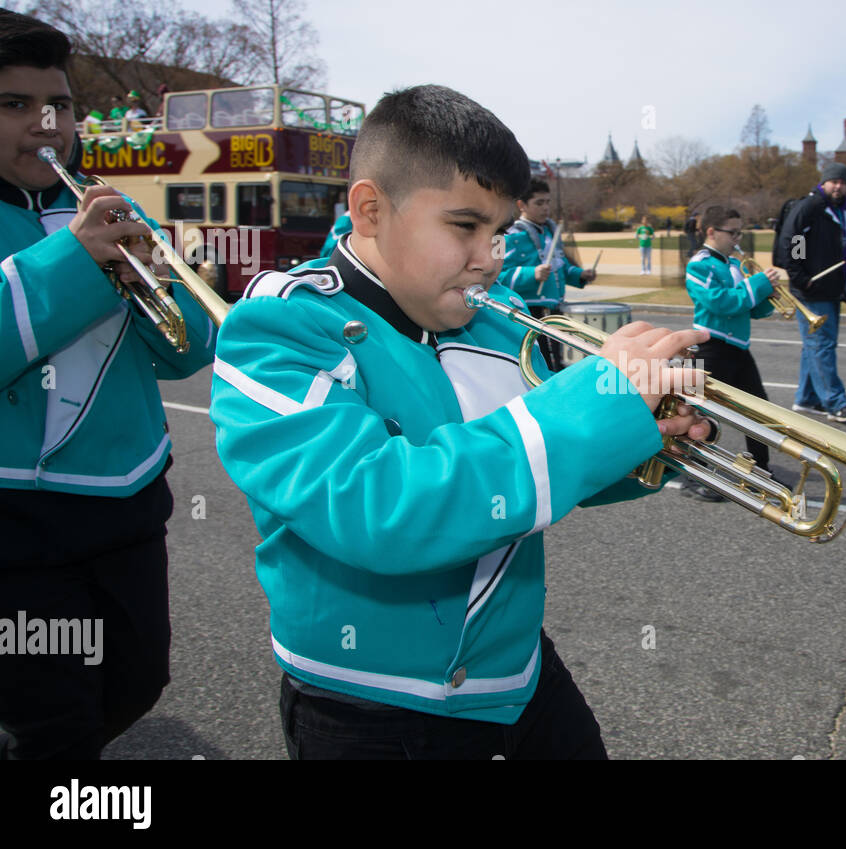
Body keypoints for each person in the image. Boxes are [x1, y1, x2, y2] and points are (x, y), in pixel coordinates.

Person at [208, 84, 711, 760]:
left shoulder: (495, 321)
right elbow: (374, 505)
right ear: (370, 210)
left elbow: (542, 468)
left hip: (517, 669)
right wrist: (594, 405)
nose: (491, 256)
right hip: (369, 700)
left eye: (501, 231)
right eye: (464, 227)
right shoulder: (279, 325)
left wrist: (645, 433)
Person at [0, 11, 217, 759]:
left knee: (136, 679)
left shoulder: (99, 202)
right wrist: (76, 265)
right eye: (15, 106)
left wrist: (151, 277)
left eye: (58, 105)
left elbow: (187, 348)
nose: (46, 125)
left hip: (123, 504)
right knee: (55, 719)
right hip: (15, 520)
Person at [681, 206, 776, 501]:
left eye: (739, 232)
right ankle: (692, 474)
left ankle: (761, 469)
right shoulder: (699, 265)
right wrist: (757, 284)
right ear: (711, 232)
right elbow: (721, 303)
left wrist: (767, 295)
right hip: (710, 348)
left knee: (757, 409)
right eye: (732, 232)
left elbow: (749, 307)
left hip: (738, 349)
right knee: (699, 413)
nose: (737, 238)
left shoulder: (735, 265)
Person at [775, 162, 846, 423]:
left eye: (843, 182)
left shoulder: (840, 211)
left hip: (831, 289)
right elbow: (795, 240)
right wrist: (802, 278)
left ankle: (807, 398)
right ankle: (835, 403)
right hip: (812, 290)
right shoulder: (811, 207)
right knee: (821, 345)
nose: (838, 186)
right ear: (824, 182)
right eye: (833, 181)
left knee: (817, 345)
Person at [497, 178, 596, 371]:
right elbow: (497, 276)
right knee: (539, 362)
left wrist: (580, 275)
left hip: (554, 310)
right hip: (530, 312)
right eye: (539, 203)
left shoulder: (550, 233)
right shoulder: (511, 236)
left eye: (548, 202)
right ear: (521, 205)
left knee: (557, 362)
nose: (545, 208)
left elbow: (562, 268)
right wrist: (531, 274)